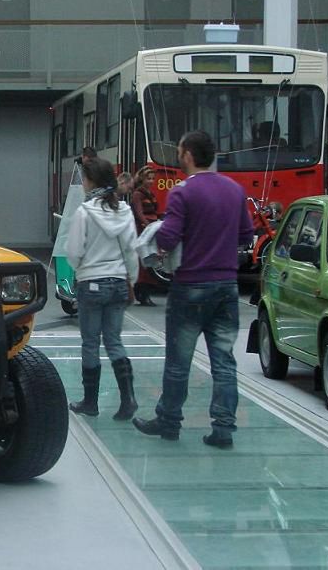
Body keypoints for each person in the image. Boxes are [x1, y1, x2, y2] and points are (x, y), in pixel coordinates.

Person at [132, 130, 253, 448]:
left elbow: (169, 237)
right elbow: (245, 235)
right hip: (226, 286)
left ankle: (169, 421)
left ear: (187, 155)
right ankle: (224, 429)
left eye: (179, 152)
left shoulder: (182, 193)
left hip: (190, 286)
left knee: (179, 360)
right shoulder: (234, 189)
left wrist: (158, 246)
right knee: (224, 361)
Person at [65, 158, 139, 420]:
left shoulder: (85, 212)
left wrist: (82, 268)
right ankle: (128, 399)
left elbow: (73, 252)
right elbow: (131, 250)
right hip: (119, 283)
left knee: (90, 343)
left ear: (92, 181)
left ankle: (90, 402)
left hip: (92, 284)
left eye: (84, 178)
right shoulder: (125, 211)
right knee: (114, 341)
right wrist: (131, 278)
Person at [131, 165, 159, 306]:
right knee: (143, 263)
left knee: (149, 261)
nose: (151, 181)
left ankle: (145, 292)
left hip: (150, 230)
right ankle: (142, 293)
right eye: (148, 178)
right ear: (142, 179)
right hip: (142, 231)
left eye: (153, 178)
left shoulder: (150, 193)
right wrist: (148, 225)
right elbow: (139, 212)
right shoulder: (138, 194)